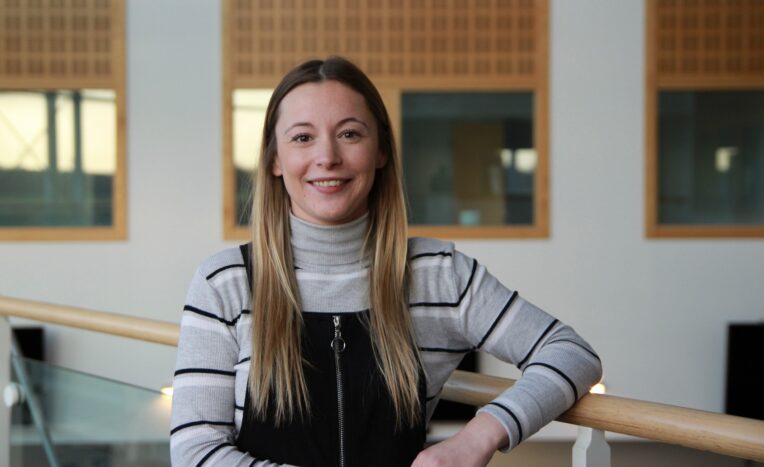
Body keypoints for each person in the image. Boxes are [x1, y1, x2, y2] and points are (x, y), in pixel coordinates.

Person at [170, 56, 602, 467]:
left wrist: (480, 435)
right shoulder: (224, 282)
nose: (327, 157)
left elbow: (570, 353)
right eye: (302, 137)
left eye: (350, 134)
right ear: (275, 160)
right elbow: (195, 451)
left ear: (380, 152)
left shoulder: (438, 275)